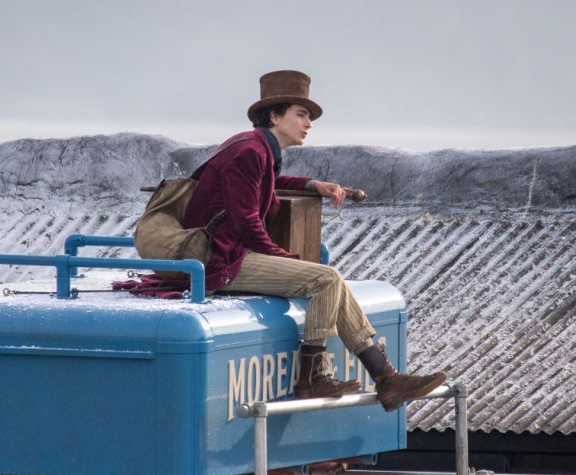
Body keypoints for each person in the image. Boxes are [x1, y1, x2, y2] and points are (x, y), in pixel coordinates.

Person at [182, 70, 446, 411]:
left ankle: (387, 379)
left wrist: (311, 185)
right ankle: (312, 378)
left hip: (232, 252)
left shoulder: (259, 150)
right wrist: (283, 258)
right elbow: (244, 220)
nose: (309, 123)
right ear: (275, 116)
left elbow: (269, 182)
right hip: (220, 260)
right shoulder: (250, 152)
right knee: (323, 278)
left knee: (331, 280)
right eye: (301, 114)